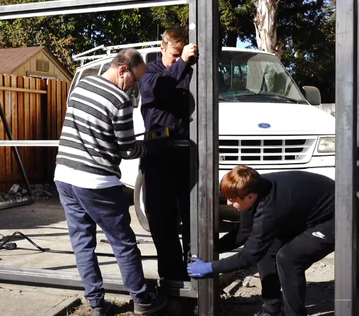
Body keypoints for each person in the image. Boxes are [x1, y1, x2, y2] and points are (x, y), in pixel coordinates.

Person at [54, 49, 167, 316]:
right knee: (123, 242)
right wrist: (150, 146)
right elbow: (128, 149)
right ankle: (141, 299)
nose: (136, 86)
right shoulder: (120, 100)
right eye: (136, 80)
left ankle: (96, 304)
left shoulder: (82, 84)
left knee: (82, 242)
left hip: (64, 175)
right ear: (123, 70)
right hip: (97, 182)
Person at [187, 165, 335, 316]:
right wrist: (212, 247)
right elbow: (244, 232)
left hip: (338, 217)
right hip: (304, 214)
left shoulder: (270, 210)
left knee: (288, 258)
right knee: (267, 251)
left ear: (250, 196)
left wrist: (210, 267)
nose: (229, 204)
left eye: (232, 200)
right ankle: (271, 310)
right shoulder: (251, 189)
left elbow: (249, 256)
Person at [137, 26, 198, 281]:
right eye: (173, 54)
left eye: (180, 55)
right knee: (162, 220)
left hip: (186, 153)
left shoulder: (191, 69)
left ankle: (195, 274)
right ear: (162, 48)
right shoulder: (151, 72)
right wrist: (181, 62)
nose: (177, 59)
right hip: (159, 153)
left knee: (193, 216)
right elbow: (156, 90)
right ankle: (172, 280)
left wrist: (187, 63)